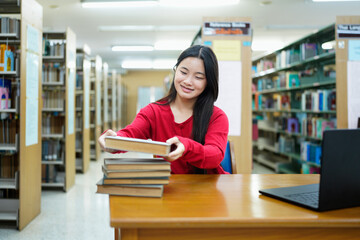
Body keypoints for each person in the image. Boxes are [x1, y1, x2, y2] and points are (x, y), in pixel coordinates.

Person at [98, 45, 229, 174]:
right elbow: (130, 134)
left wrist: (186, 147)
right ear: (175, 71)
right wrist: (114, 140)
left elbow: (215, 155)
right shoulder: (153, 112)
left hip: (207, 188)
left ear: (208, 82)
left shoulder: (217, 116)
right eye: (183, 72)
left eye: (199, 77)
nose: (188, 81)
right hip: (169, 187)